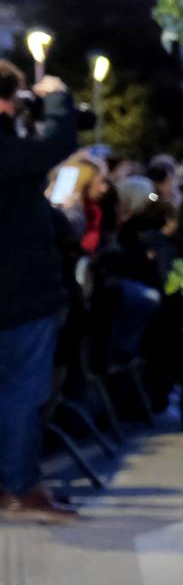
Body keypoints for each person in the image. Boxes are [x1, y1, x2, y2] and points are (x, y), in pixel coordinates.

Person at [0, 65, 78, 523]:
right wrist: (57, 97)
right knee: (23, 392)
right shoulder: (9, 149)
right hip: (20, 296)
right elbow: (57, 143)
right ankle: (19, 486)